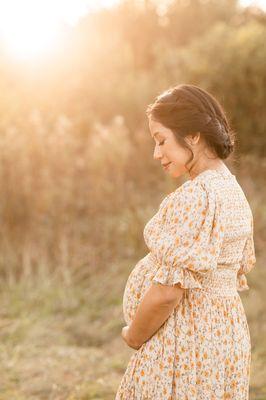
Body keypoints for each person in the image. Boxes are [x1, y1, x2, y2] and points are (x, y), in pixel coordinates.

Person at [115, 84, 256, 399]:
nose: (157, 153)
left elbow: (167, 293)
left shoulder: (197, 195)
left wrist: (134, 335)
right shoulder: (231, 190)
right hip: (223, 340)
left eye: (161, 140)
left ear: (193, 135)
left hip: (186, 343)